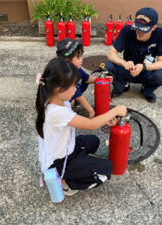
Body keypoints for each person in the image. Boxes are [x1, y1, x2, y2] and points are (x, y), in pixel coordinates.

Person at [35, 57, 127, 196]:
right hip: (58, 163)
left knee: (93, 141)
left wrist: (103, 120)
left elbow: (75, 121)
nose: (76, 89)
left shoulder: (58, 99)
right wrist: (115, 111)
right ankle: (66, 182)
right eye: (74, 86)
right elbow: (91, 125)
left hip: (65, 149)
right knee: (107, 169)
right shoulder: (55, 111)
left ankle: (78, 167)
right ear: (59, 89)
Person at [105, 7, 162, 103]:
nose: (138, 32)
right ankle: (123, 85)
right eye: (137, 28)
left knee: (161, 76)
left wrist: (144, 67)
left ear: (153, 27)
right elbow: (111, 54)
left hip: (146, 70)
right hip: (127, 69)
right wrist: (124, 63)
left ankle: (146, 90)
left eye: (143, 30)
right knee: (108, 66)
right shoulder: (127, 30)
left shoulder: (161, 34)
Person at [56, 38, 113, 118]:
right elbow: (77, 94)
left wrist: (101, 79)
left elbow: (87, 78)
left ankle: (71, 101)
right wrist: (90, 110)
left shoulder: (75, 68)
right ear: (67, 60)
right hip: (56, 98)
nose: (81, 60)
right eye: (78, 58)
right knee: (69, 103)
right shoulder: (65, 74)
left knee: (83, 81)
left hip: (68, 93)